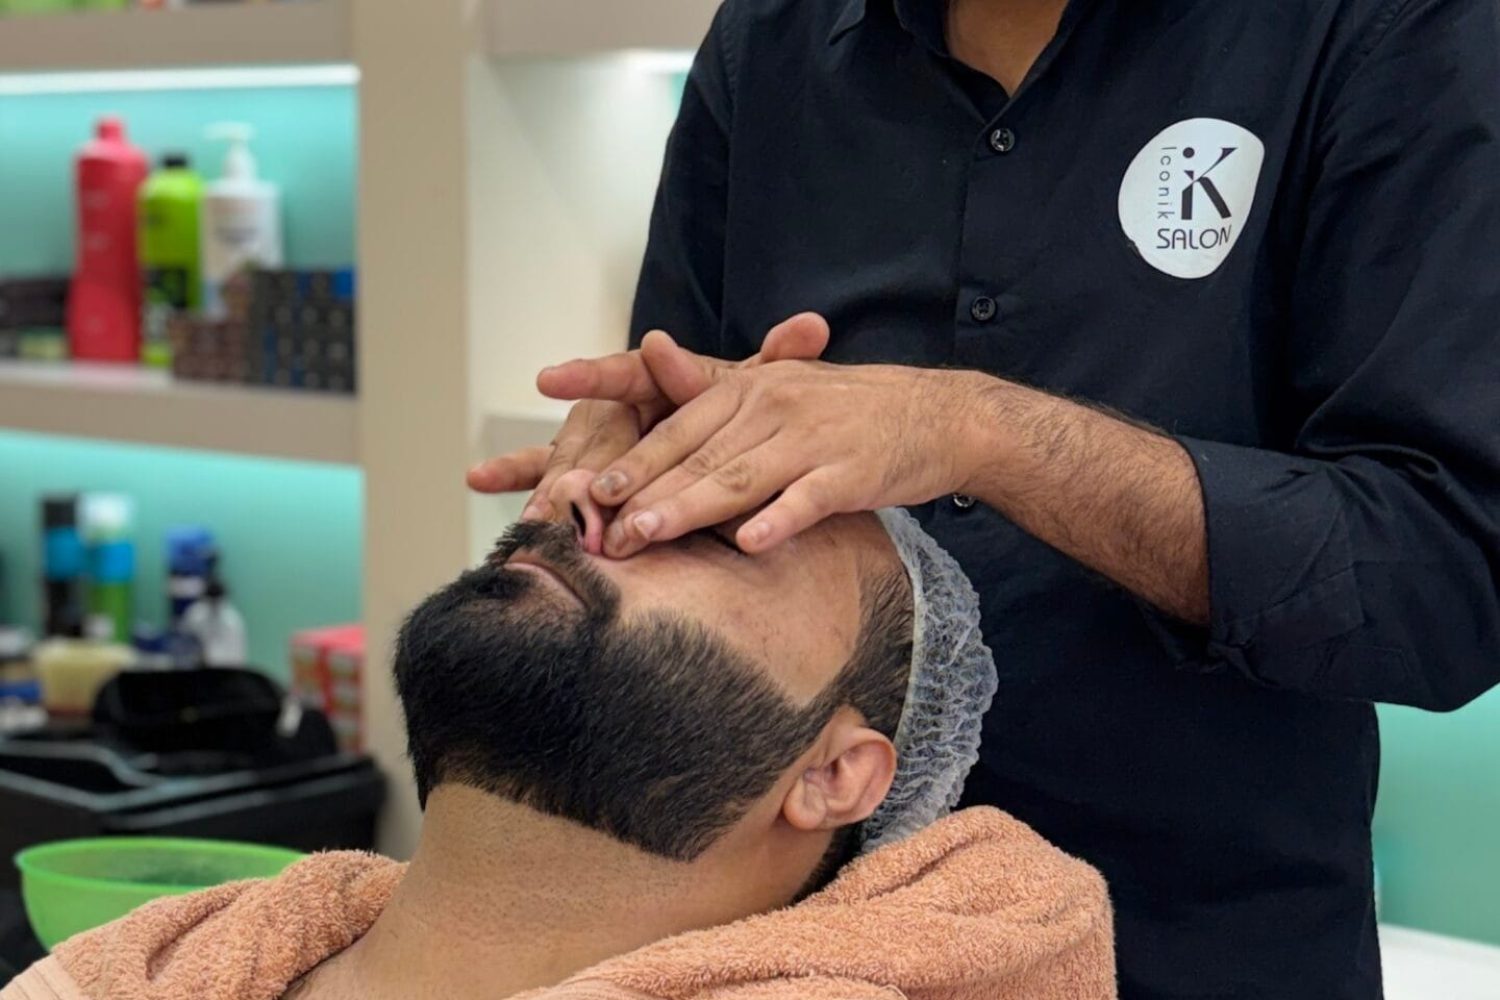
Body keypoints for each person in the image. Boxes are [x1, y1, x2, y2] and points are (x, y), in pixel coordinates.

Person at [469, 1, 1500, 997]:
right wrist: (641, 453)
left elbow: (1443, 575)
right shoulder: (768, 39)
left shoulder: (1384, 29)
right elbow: (689, 414)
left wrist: (981, 434)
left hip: (1188, 944)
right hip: (782, 941)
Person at [1, 503, 1115, 1000]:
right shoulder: (137, 978)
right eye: (611, 489)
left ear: (835, 773)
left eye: (724, 531)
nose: (590, 512)